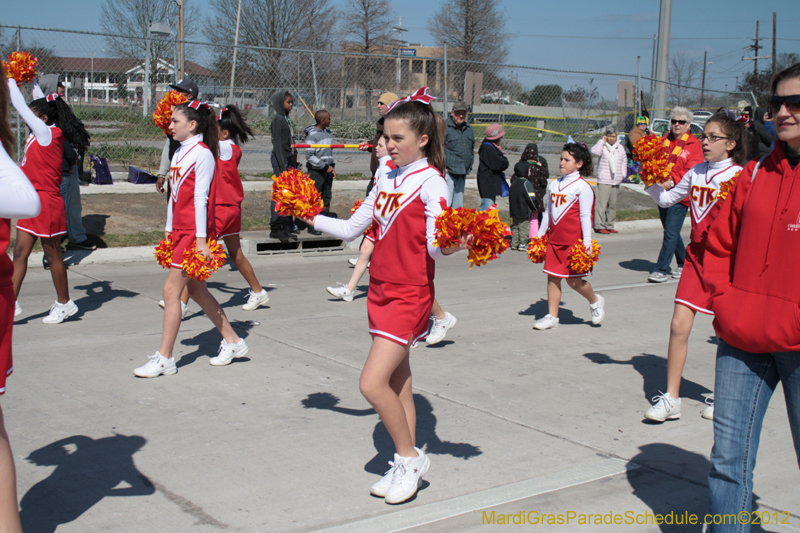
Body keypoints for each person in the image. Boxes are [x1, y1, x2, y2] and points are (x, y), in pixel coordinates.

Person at [305, 89, 469, 504]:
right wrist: (307, 214)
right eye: (387, 138)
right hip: (379, 289)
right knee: (398, 384)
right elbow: (351, 229)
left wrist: (458, 242)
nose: (389, 146)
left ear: (424, 139)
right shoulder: (386, 175)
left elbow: (433, 247)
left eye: (398, 139)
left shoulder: (433, 182)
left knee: (371, 383)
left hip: (410, 294)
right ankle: (404, 461)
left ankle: (410, 458)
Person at [703, 63, 800, 532]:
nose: (783, 112)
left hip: (797, 345)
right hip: (741, 337)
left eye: (795, 103)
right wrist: (724, 298)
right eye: (776, 103)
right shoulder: (755, 172)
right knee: (728, 461)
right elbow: (720, 243)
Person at [642, 113, 746, 423]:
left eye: (714, 137)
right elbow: (668, 199)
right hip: (697, 260)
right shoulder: (697, 172)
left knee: (727, 333)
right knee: (678, 326)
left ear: (731, 144)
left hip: (727, 263)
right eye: (705, 135)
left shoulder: (741, 175)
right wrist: (649, 179)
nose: (705, 141)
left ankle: (724, 395)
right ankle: (671, 399)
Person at [133, 100, 248, 377]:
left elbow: (200, 198)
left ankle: (165, 358)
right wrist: (169, 227)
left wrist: (199, 241)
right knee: (196, 290)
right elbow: (174, 195)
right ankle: (233, 341)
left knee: (171, 292)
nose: (170, 125)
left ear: (192, 125)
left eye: (175, 121)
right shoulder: (180, 152)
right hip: (181, 231)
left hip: (194, 233)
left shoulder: (202, 154)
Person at [8, 78, 88, 324]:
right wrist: (30, 78)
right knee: (20, 252)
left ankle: (65, 304)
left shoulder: (46, 133)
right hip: (32, 201)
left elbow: (20, 106)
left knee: (53, 254)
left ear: (43, 118)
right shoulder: (42, 129)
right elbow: (38, 101)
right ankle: (9, 304)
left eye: (34, 114)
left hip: (47, 203)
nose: (27, 117)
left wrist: (9, 79)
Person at [0, 65, 41, 533]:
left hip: (46, 204)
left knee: (43, 257)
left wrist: (16, 95)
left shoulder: (45, 134)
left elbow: (26, 199)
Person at [532, 142, 605, 330]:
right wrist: (540, 236)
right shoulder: (554, 184)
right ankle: (552, 316)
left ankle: (595, 301)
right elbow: (548, 212)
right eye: (561, 159)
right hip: (554, 241)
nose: (562, 163)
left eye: (567, 160)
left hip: (573, 243)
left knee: (574, 281)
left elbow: (585, 216)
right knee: (552, 278)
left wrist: (587, 243)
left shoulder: (583, 187)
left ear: (579, 163)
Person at [216, 105, 270, 311]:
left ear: (225, 133)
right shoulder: (226, 147)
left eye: (214, 128)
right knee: (235, 254)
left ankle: (180, 301)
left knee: (197, 253)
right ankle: (258, 291)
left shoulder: (226, 148)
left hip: (222, 207)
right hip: (229, 207)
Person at [326, 136, 392, 302]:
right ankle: (349, 290)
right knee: (364, 251)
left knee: (388, 261)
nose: (375, 147)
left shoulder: (390, 166)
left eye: (380, 145)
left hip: (386, 221)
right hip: (377, 218)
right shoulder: (382, 165)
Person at [647, 107, 703, 283]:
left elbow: (692, 170)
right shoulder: (662, 141)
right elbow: (654, 162)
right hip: (662, 192)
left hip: (680, 195)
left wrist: (672, 182)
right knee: (672, 232)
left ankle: (661, 269)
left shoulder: (695, 145)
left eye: (682, 122)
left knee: (670, 232)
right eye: (674, 121)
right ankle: (684, 262)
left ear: (688, 125)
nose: (677, 125)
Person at [155, 78, 198, 196]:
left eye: (179, 91)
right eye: (174, 91)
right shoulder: (174, 120)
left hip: (191, 178)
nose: (174, 94)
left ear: (189, 95)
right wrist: (162, 173)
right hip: (174, 175)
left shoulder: (199, 118)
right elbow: (169, 144)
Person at [269, 89, 298, 242]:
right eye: (288, 102)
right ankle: (275, 226)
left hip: (288, 159)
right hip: (280, 160)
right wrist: (281, 167)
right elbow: (278, 145)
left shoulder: (285, 118)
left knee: (287, 195)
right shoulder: (278, 119)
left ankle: (285, 226)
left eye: (292, 102)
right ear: (281, 104)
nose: (291, 105)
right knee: (279, 194)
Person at [591, 125, 627, 234]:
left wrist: (623, 174)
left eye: (614, 136)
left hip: (615, 180)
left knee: (612, 204)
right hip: (604, 180)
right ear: (606, 136)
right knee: (601, 204)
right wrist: (602, 141)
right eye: (610, 136)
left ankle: (610, 225)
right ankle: (599, 225)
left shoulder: (620, 148)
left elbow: (624, 160)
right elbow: (595, 152)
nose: (612, 138)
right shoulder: (602, 146)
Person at [303, 109, 336, 225]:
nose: (330, 120)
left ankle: (324, 223)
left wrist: (332, 167)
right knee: (315, 198)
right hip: (316, 171)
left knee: (326, 196)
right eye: (328, 118)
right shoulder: (313, 135)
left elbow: (329, 153)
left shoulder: (328, 132)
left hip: (328, 170)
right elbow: (309, 156)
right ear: (322, 120)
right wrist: (324, 166)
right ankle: (313, 225)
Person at [359, 92, 399, 177]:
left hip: (389, 174)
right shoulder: (381, 123)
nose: (378, 106)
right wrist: (368, 144)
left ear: (390, 106)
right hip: (377, 173)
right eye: (378, 103)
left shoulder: (396, 124)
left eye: (382, 103)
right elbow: (379, 142)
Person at [443, 102, 475, 208]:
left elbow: (471, 149)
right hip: (448, 173)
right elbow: (436, 148)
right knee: (446, 205)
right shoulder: (444, 127)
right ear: (452, 113)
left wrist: (469, 166)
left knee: (458, 207)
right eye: (458, 113)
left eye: (463, 113)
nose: (461, 116)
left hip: (462, 172)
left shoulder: (468, 129)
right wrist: (442, 167)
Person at [477, 123, 509, 210]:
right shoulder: (487, 148)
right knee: (487, 208)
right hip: (487, 184)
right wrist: (503, 159)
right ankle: (483, 223)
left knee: (491, 208)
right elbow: (500, 164)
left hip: (490, 183)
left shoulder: (493, 148)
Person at [508, 163, 538, 251]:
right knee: (524, 228)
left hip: (514, 210)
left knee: (516, 227)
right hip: (523, 210)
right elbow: (530, 198)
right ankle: (523, 244)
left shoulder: (513, 183)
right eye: (529, 170)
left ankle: (514, 243)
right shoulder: (526, 183)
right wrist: (535, 208)